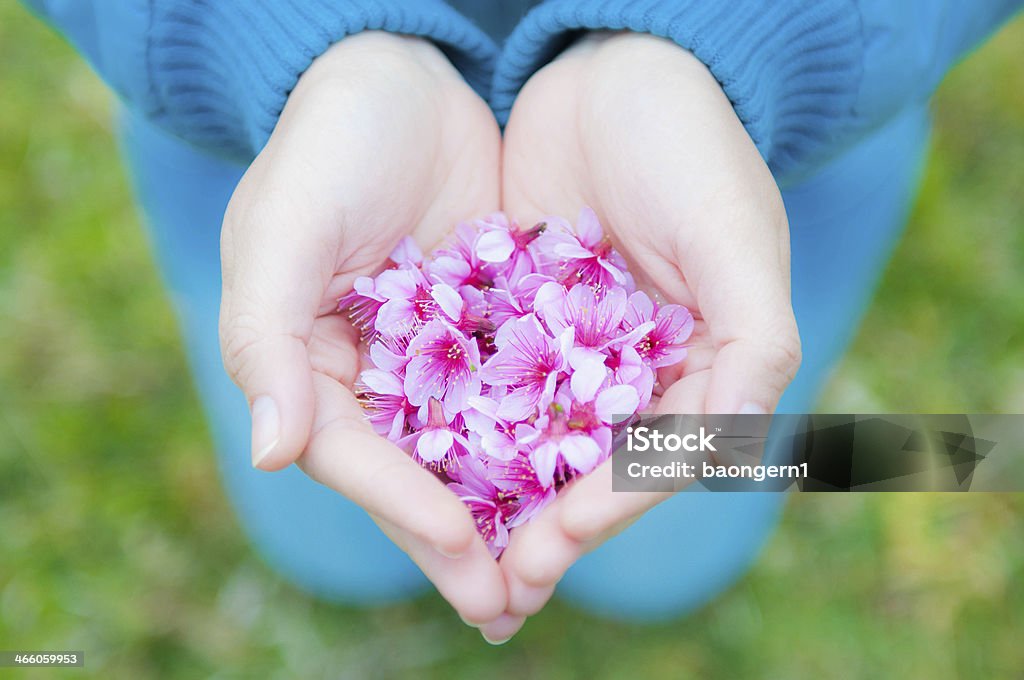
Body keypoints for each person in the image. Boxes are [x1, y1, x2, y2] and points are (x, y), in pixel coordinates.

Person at [23, 0, 1022, 644]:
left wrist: (752, 39)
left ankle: (669, 575)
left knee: (680, 519)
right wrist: (265, 38)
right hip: (272, 139)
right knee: (316, 479)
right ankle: (336, 560)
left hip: (768, 139)